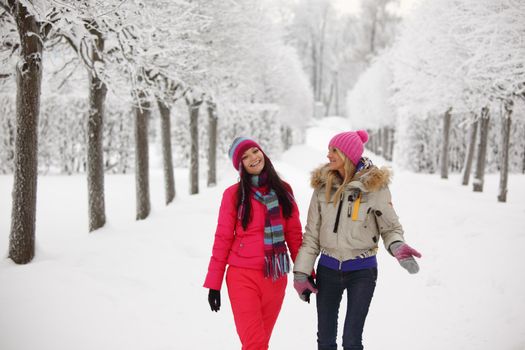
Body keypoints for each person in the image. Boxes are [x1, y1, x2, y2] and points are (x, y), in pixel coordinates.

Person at [292, 130, 422, 350]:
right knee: (325, 341)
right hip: (328, 269)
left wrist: (397, 245)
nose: (328, 155)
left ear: (347, 154)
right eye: (328, 150)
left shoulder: (374, 187)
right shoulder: (323, 187)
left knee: (352, 341)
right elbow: (312, 235)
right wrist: (301, 273)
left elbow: (390, 227)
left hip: (362, 272)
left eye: (334, 150)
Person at [204, 137, 303, 350]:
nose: (253, 158)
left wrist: (305, 272)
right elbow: (222, 238)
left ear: (262, 152)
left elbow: (294, 234)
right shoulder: (233, 195)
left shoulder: (284, 189)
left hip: (276, 277)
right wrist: (214, 283)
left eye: (254, 151)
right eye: (245, 157)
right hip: (242, 277)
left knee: (260, 344)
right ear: (240, 166)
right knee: (255, 343)